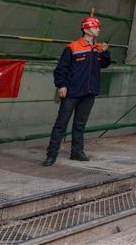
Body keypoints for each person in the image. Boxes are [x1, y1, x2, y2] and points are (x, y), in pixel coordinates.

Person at [42, 16, 110, 166]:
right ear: (86, 29)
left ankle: (77, 152)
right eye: (95, 27)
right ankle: (51, 154)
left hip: (89, 92)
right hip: (71, 92)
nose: (98, 29)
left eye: (98, 27)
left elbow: (104, 64)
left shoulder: (97, 48)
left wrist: (105, 52)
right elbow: (61, 69)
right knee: (61, 123)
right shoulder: (72, 47)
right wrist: (62, 85)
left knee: (80, 124)